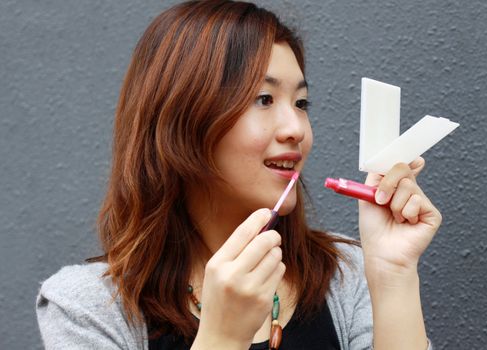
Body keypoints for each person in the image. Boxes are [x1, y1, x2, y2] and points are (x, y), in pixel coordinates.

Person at [36, 1, 441, 349]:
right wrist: (223, 337)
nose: (296, 129)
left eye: (301, 102)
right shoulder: (87, 307)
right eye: (263, 99)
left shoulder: (347, 275)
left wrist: (392, 277)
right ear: (183, 121)